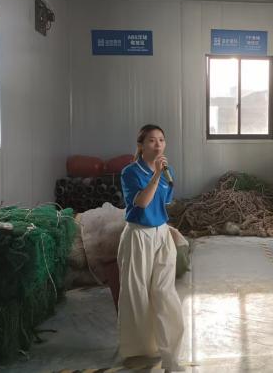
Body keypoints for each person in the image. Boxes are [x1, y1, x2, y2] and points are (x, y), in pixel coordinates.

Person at [118, 125, 185, 372]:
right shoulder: (130, 172)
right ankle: (140, 351)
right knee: (136, 294)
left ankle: (171, 356)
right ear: (141, 145)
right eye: (152, 141)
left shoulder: (168, 171)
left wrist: (160, 174)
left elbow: (165, 202)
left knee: (165, 293)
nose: (158, 145)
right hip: (138, 235)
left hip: (161, 234)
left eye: (161, 140)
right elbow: (143, 202)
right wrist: (156, 175)